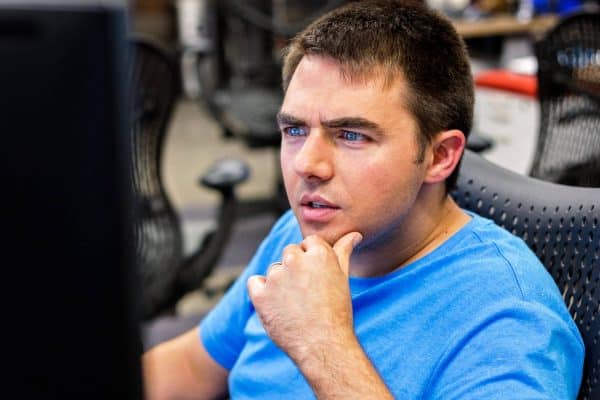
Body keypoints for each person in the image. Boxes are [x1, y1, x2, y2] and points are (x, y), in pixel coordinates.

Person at [142, 0, 584, 398]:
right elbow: (190, 367)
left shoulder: (508, 323)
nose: (307, 165)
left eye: (351, 135)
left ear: (439, 156)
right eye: (295, 130)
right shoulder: (301, 235)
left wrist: (322, 342)